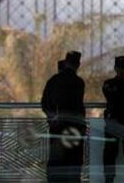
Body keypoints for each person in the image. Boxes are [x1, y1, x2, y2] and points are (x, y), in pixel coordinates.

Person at [41, 51, 85, 183]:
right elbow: (78, 105)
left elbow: (44, 103)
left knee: (56, 161)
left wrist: (51, 117)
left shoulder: (53, 81)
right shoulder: (79, 82)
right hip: (74, 128)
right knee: (74, 161)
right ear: (78, 65)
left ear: (65, 63)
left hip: (57, 127)